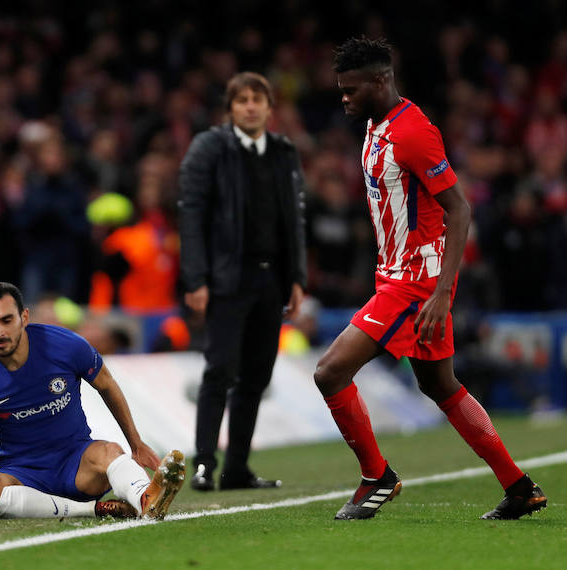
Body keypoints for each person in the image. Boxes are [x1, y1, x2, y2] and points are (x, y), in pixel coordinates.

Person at [316, 36, 546, 520]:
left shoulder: (414, 132)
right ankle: (519, 487)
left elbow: (459, 208)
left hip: (415, 283)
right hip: (395, 276)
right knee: (440, 385)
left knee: (330, 372)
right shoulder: (375, 124)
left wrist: (442, 293)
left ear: (381, 81)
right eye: (342, 89)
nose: (345, 98)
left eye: (352, 89)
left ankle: (377, 477)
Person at [0, 282, 184, 523]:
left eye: (6, 320)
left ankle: (146, 499)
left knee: (111, 451)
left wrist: (136, 444)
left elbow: (107, 385)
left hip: (78, 466)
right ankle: (94, 510)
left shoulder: (65, 345)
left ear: (24, 317)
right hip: (24, 476)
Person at [178, 72, 306, 491]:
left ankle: (236, 469)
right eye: (242, 100)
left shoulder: (284, 152)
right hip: (226, 280)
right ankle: (203, 464)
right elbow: (191, 216)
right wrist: (196, 278)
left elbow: (294, 220)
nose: (250, 106)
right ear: (230, 108)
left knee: (256, 376)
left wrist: (297, 277)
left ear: (270, 107)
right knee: (219, 370)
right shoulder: (209, 148)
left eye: (257, 99)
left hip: (271, 281)